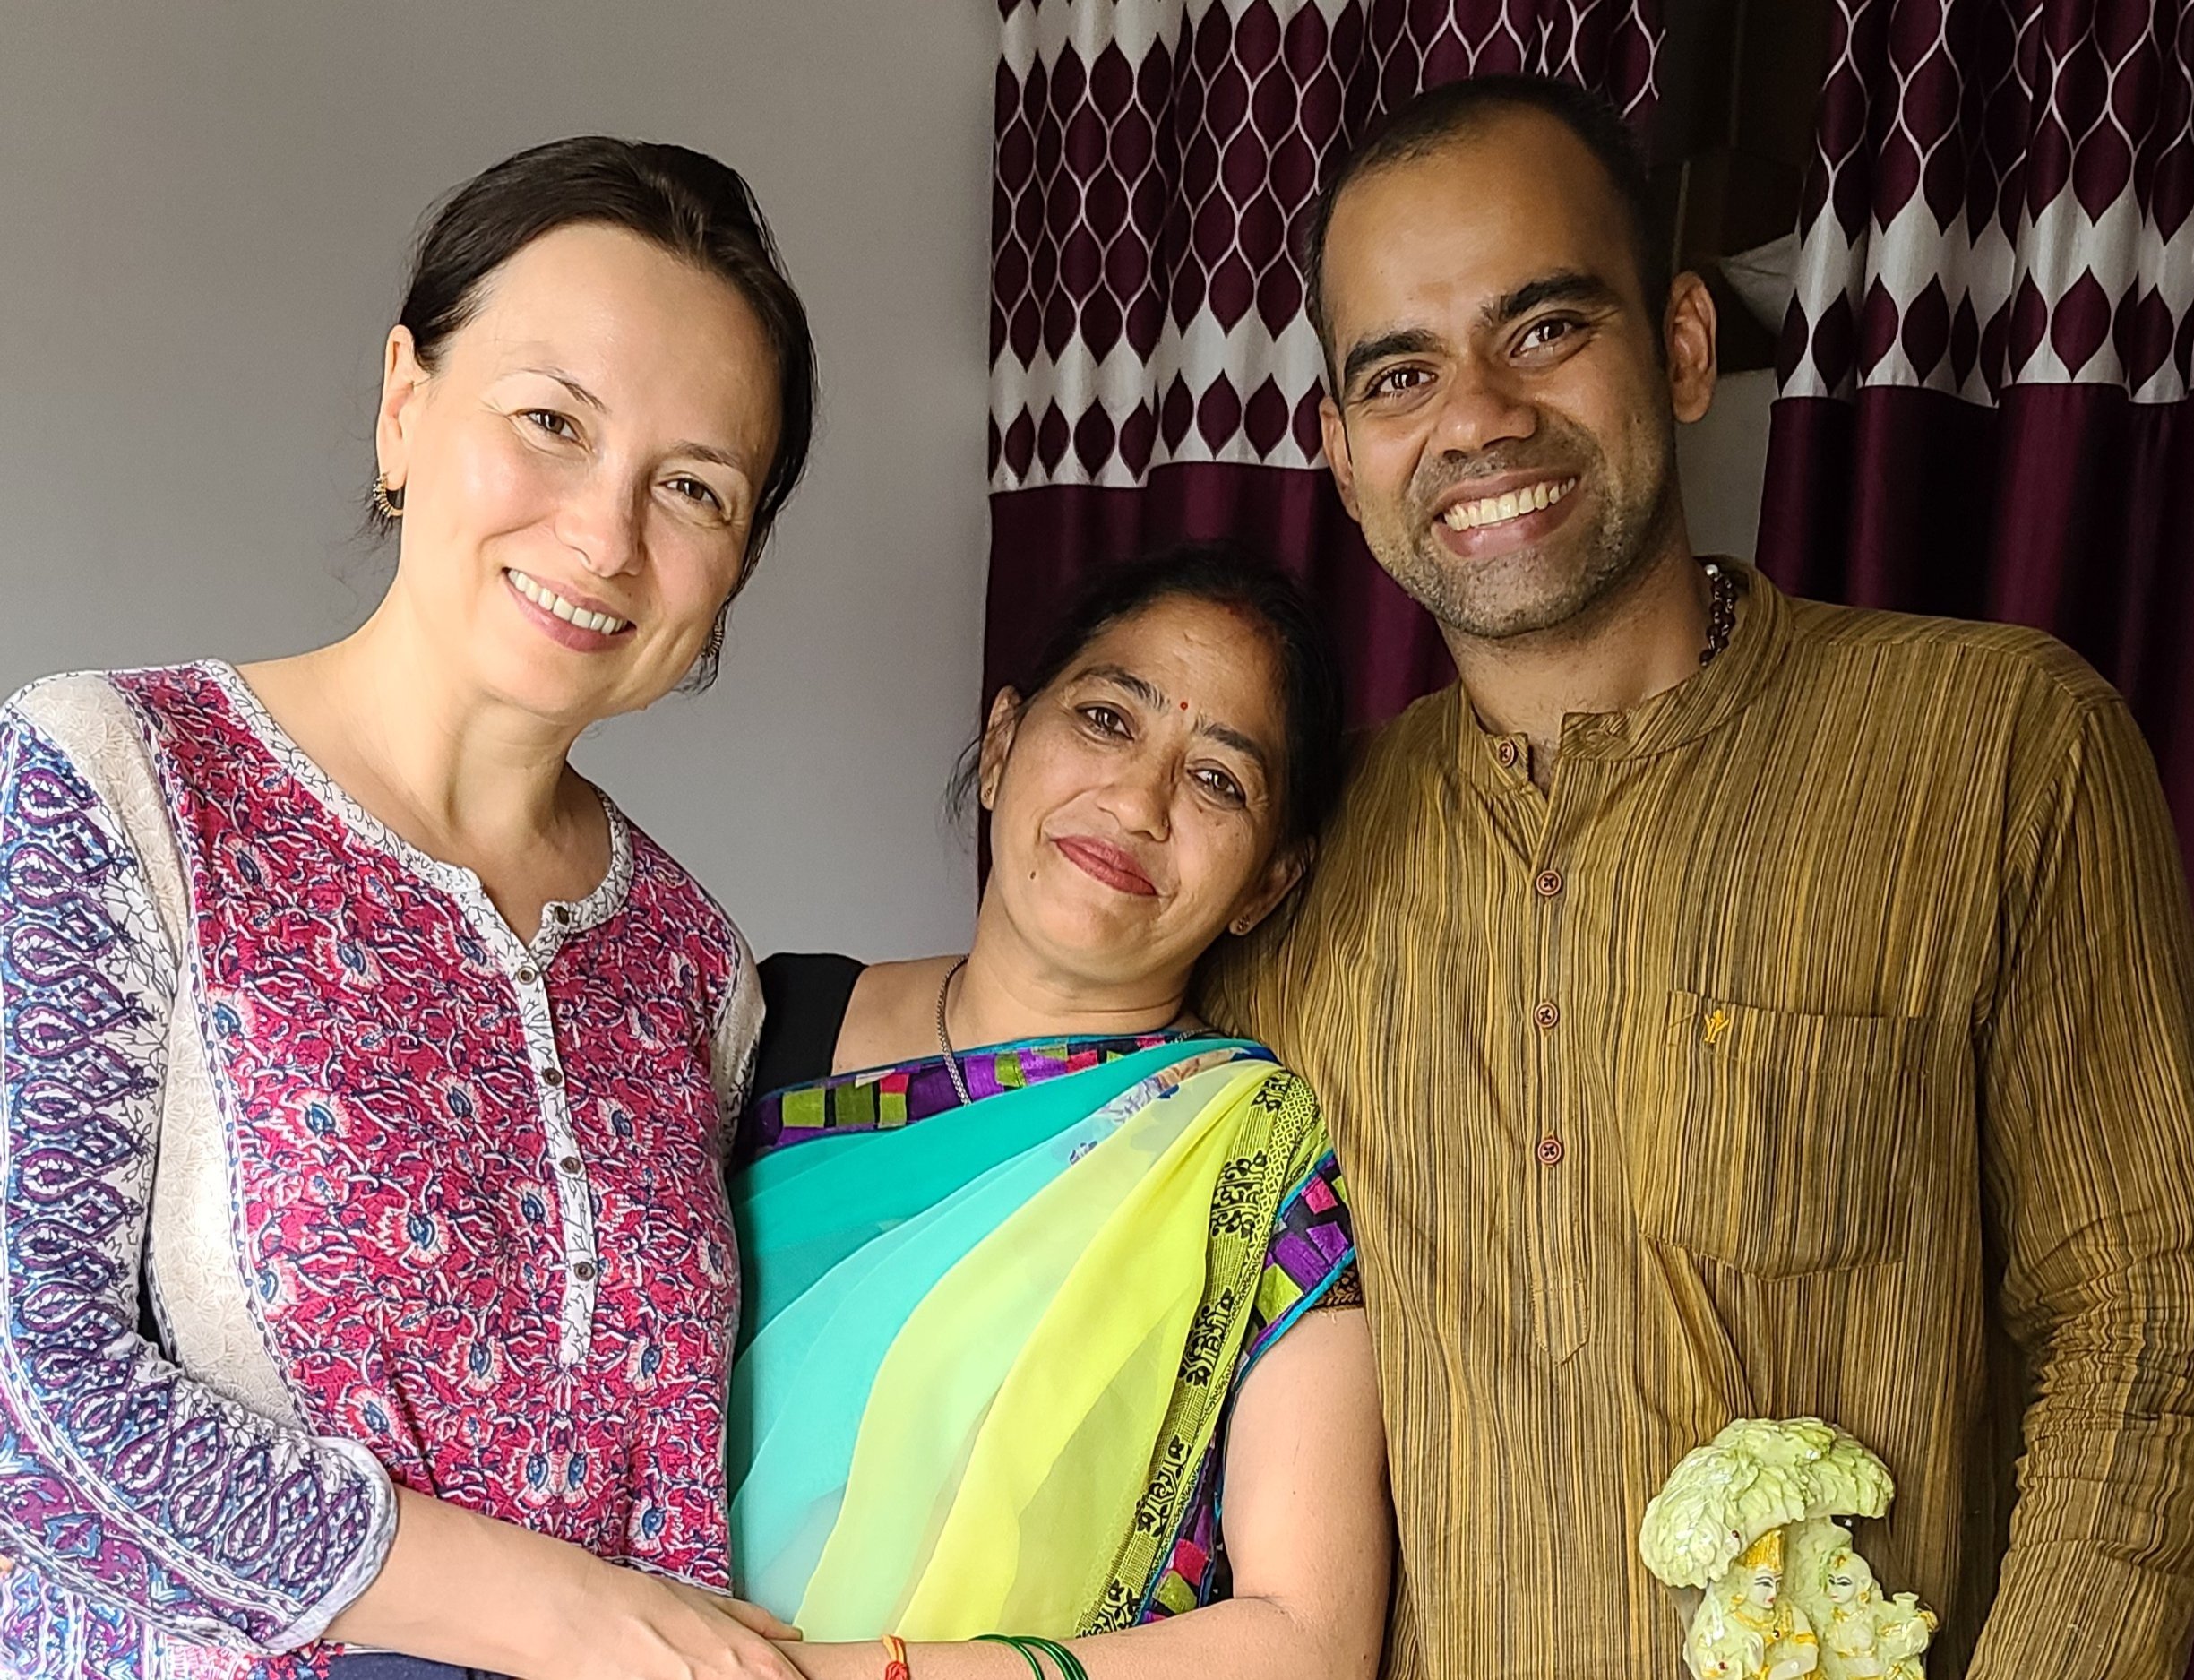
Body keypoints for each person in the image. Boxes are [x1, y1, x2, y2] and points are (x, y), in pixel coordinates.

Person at [1202, 73, 2194, 1678]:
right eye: (1401, 374)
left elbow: (2156, 1326)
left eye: (1545, 327)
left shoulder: (1997, 750)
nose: (1477, 418)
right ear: (1339, 454)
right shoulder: (1292, 863)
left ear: (1681, 346)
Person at [0, 137, 817, 1678]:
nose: (605, 535)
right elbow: (25, 1405)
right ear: (403, 405)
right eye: (552, 421)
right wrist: (567, 1611)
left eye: (693, 488)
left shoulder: (691, 961)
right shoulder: (115, 778)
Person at [727, 544, 1390, 1678]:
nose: (1136, 803)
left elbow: (1308, 1639)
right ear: (999, 744)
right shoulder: (760, 1029)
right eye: (1106, 720)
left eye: (1217, 781)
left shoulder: (1255, 1163)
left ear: (1268, 884)